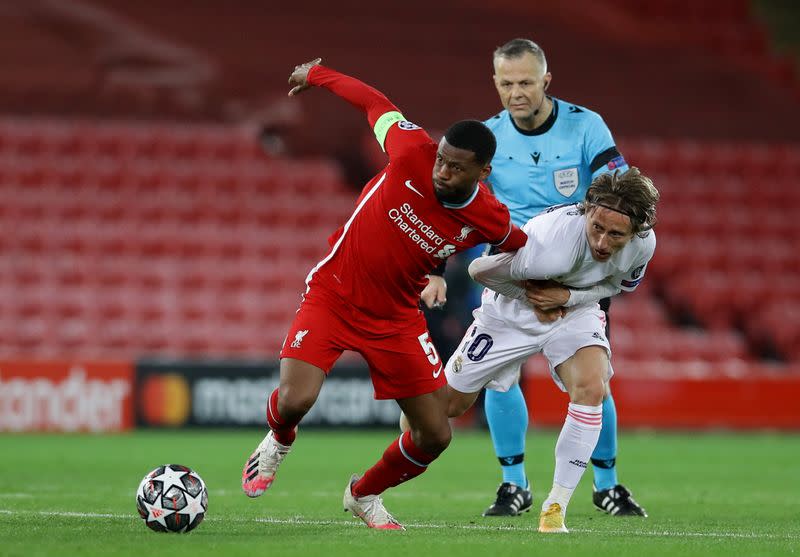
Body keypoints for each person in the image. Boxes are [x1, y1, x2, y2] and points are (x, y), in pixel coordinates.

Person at [240, 58, 527, 530]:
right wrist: (317, 75)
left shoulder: (489, 216)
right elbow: (373, 101)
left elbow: (517, 247)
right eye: (442, 160)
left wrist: (554, 284)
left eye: (457, 168)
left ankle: (364, 493)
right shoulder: (412, 148)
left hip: (396, 319)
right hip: (334, 294)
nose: (442, 172)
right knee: (295, 399)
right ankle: (278, 438)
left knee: (435, 433)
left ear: (484, 171)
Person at [423, 38, 648, 518]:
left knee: (593, 379)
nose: (516, 92)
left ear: (546, 81)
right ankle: (514, 485)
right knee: (500, 380)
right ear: (495, 83)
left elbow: (620, 192)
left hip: (577, 267)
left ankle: (606, 484)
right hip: (510, 271)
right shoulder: (486, 136)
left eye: (526, 82)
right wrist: (437, 267)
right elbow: (450, 203)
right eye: (506, 83)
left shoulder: (585, 126)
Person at [444, 168, 659, 532]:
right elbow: (480, 270)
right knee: (439, 411)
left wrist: (569, 298)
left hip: (573, 310)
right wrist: (533, 298)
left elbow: (616, 285)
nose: (603, 243)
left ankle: (555, 507)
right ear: (587, 212)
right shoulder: (548, 246)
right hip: (509, 309)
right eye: (597, 228)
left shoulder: (645, 245)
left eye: (616, 235)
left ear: (637, 231)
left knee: (592, 387)